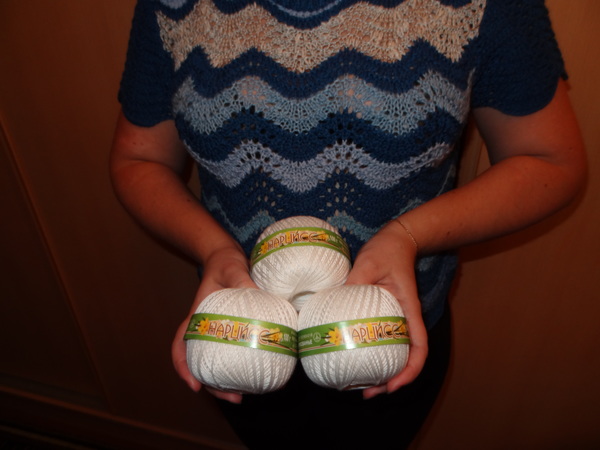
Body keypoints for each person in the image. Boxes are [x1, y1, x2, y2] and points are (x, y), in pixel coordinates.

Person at [110, 0, 586, 447]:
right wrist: (213, 249)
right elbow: (139, 159)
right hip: (239, 336)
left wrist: (407, 236)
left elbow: (548, 160)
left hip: (389, 336)